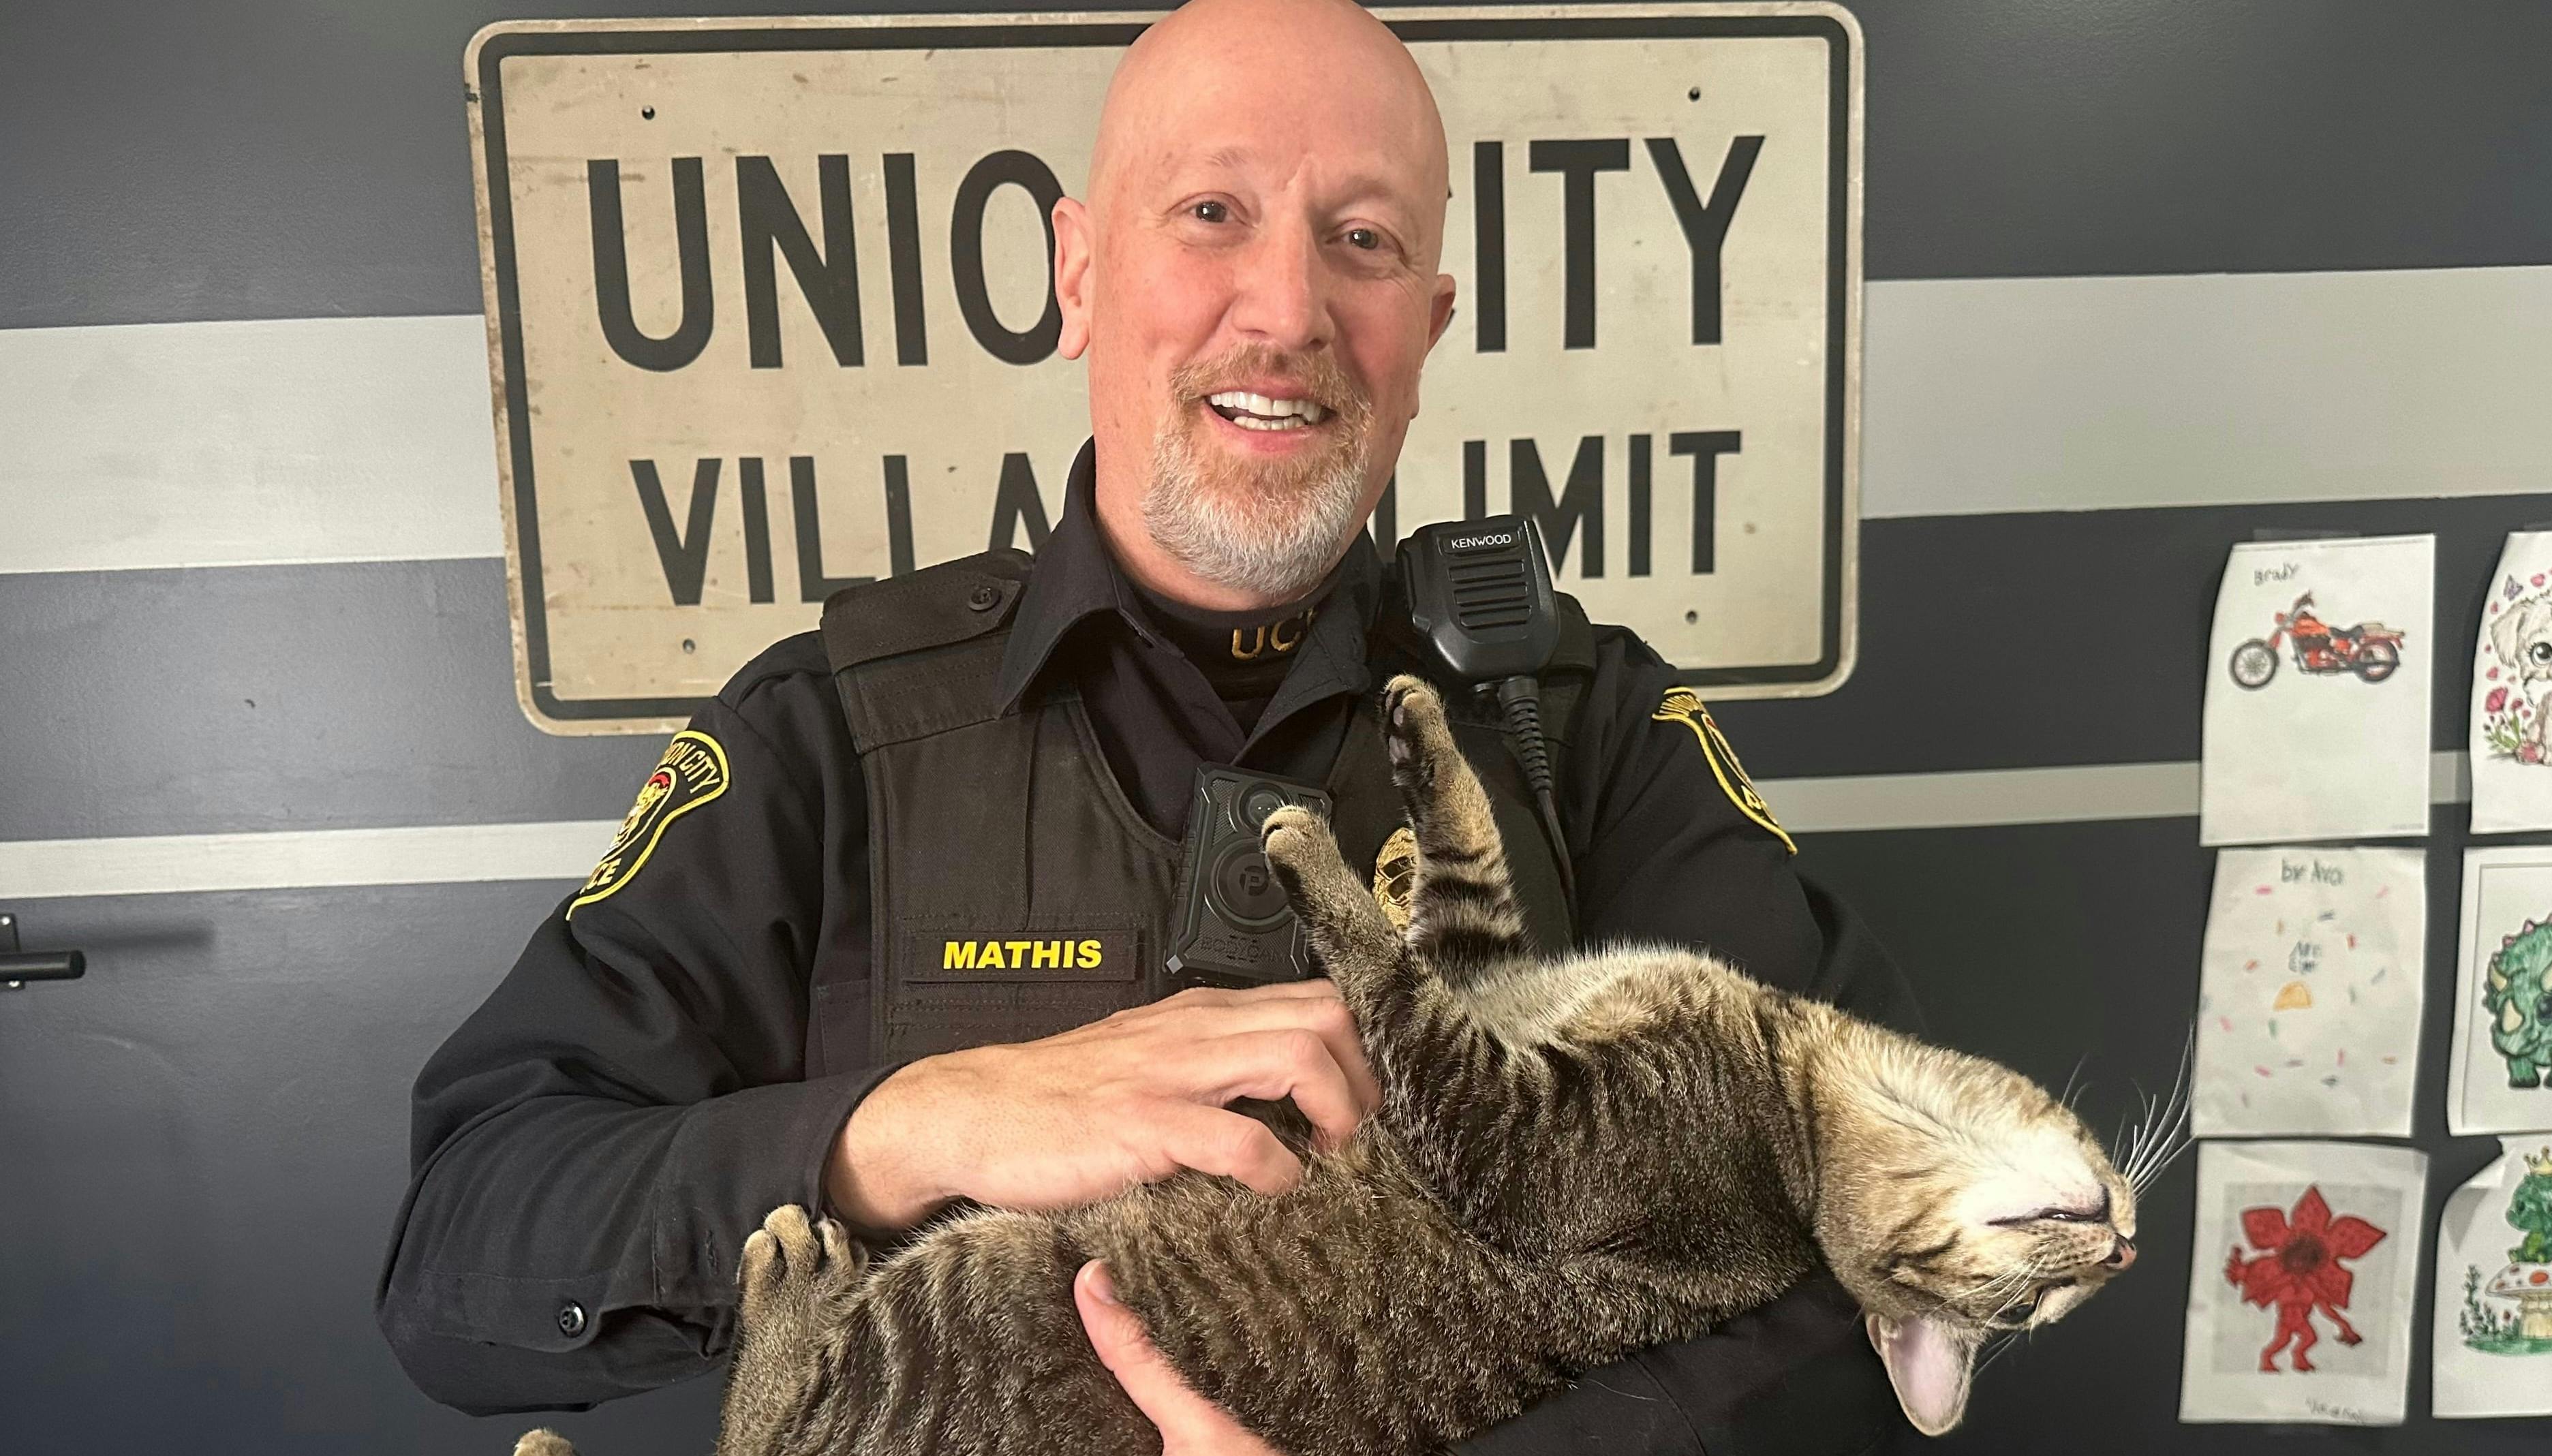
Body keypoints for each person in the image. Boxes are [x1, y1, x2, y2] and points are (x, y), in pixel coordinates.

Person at [377, 1, 1916, 1451]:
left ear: (1427, 321)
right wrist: (907, 1125)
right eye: (1211, 214)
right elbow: (463, 1248)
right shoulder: (829, 730)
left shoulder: (1578, 726)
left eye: (1360, 240)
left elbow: (1880, 1248)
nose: (1288, 309)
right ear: (1080, 270)